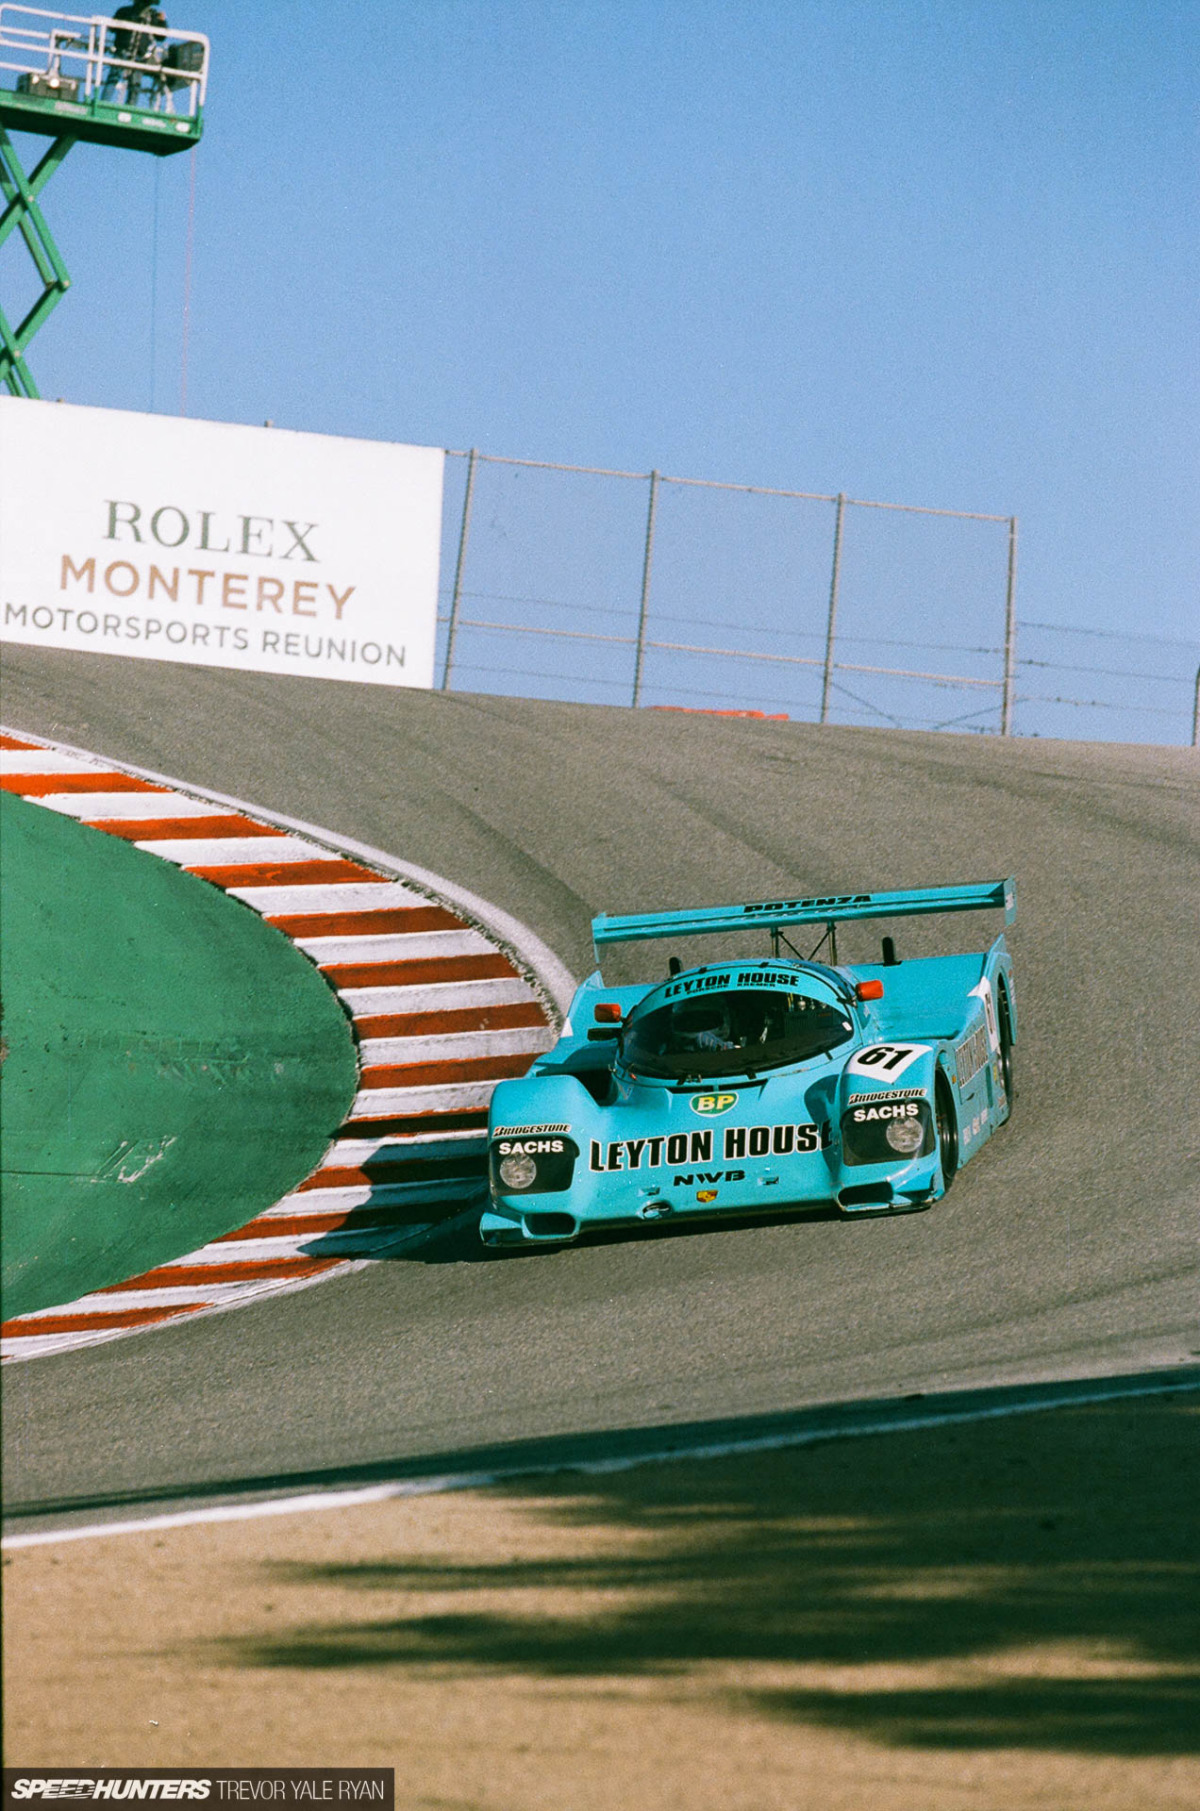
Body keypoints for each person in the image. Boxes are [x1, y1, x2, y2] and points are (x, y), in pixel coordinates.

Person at [102, 2, 167, 107]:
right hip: (122, 51)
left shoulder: (153, 16)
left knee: (135, 84)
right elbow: (112, 27)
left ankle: (130, 108)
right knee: (113, 79)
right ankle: (104, 103)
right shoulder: (124, 12)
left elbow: (161, 36)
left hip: (139, 56)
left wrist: (162, 22)